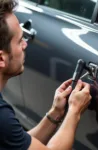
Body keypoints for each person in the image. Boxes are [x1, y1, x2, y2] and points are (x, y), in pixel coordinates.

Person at [0, 0, 91, 150]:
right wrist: (74, 111)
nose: (25, 44)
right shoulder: (2, 117)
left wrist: (56, 112)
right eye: (19, 41)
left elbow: (20, 144)